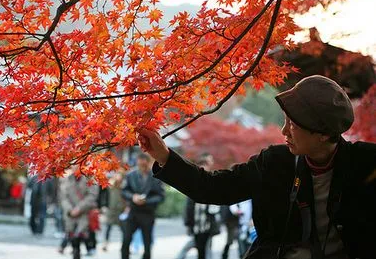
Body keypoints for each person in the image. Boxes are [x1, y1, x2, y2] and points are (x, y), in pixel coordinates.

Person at [138, 75, 376, 259]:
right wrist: (164, 156)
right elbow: (211, 188)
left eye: (292, 125)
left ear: (323, 134)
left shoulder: (366, 163)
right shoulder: (274, 163)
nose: (284, 132)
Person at [121, 153, 165, 259]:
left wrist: (146, 201)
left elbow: (161, 196)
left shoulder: (155, 176)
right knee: (126, 239)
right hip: (133, 212)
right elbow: (124, 191)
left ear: (148, 163)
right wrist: (133, 197)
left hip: (148, 213)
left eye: (144, 165)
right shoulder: (130, 175)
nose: (142, 167)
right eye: (140, 165)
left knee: (147, 243)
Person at [60, 167, 99, 259]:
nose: (75, 167)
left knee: (80, 235)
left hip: (84, 212)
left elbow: (92, 195)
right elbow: (63, 198)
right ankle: (76, 253)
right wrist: (70, 209)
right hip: (70, 214)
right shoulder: (66, 179)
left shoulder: (89, 179)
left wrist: (79, 208)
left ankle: (88, 248)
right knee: (72, 237)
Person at [102, 170, 126, 252]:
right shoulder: (111, 185)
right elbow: (105, 195)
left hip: (121, 210)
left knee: (123, 228)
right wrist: (104, 206)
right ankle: (105, 243)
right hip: (111, 209)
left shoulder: (124, 186)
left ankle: (124, 245)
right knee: (108, 227)